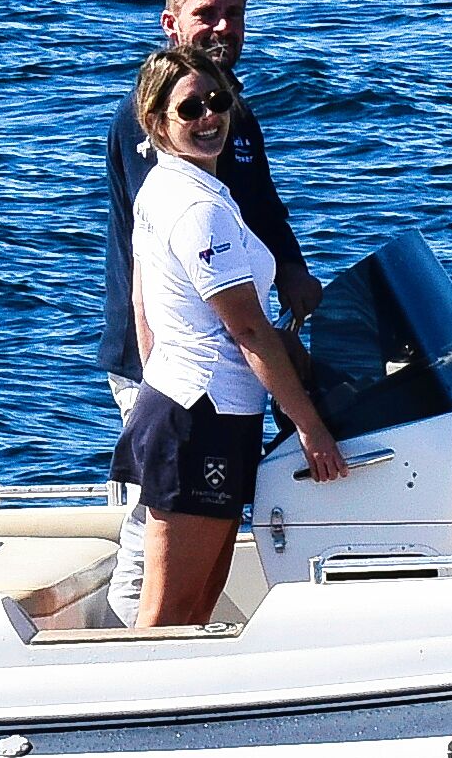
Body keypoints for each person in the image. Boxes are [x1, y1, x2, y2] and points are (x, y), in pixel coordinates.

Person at [116, 45, 349, 626]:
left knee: (196, 609)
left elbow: (144, 300)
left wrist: (160, 380)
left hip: (201, 409)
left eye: (218, 102)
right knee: (169, 616)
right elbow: (245, 326)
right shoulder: (198, 207)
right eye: (189, 107)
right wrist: (311, 428)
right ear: (156, 121)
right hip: (200, 416)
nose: (208, 118)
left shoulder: (178, 189)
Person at [103, 0, 317, 412]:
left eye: (233, 14)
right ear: (171, 23)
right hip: (171, 366)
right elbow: (153, 255)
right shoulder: (151, 118)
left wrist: (292, 269)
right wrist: (157, 384)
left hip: (237, 352)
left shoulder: (233, 111)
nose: (222, 27)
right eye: (205, 14)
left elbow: (261, 205)